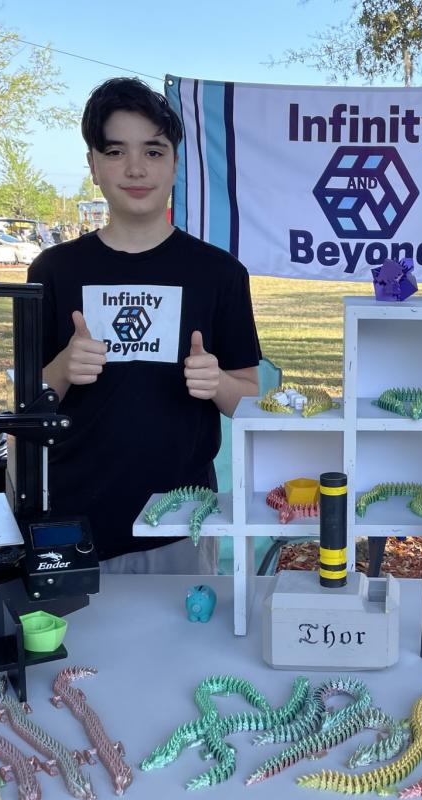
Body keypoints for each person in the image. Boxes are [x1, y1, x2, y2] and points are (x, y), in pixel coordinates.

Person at [29, 77, 261, 576]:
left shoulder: (219, 273)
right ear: (93, 165)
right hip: (73, 519)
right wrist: (63, 368)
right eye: (116, 151)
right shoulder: (53, 270)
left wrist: (217, 383)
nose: (136, 168)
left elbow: (251, 400)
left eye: (154, 152)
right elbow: (24, 406)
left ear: (175, 164)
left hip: (178, 521)